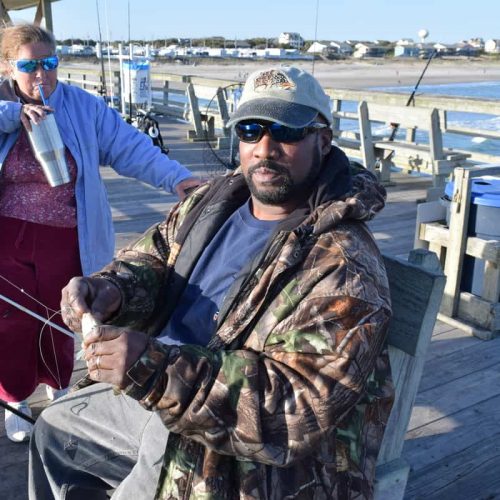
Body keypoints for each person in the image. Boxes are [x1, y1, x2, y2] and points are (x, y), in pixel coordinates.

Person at [29, 66, 394, 499]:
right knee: (54, 429)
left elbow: (294, 411)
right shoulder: (214, 199)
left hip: (242, 454)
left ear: (323, 140)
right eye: (251, 129)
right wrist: (111, 289)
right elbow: (154, 254)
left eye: (287, 132)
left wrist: (152, 367)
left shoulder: (345, 265)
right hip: (159, 390)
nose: (265, 148)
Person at [0, 24, 199, 443]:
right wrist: (12, 115)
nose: (42, 74)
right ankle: (15, 395)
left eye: (49, 63)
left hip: (67, 234)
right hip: (8, 236)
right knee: (11, 323)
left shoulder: (81, 106)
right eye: (29, 65)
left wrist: (177, 180)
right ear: (8, 67)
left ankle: (59, 388)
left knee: (60, 317)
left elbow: (129, 147)